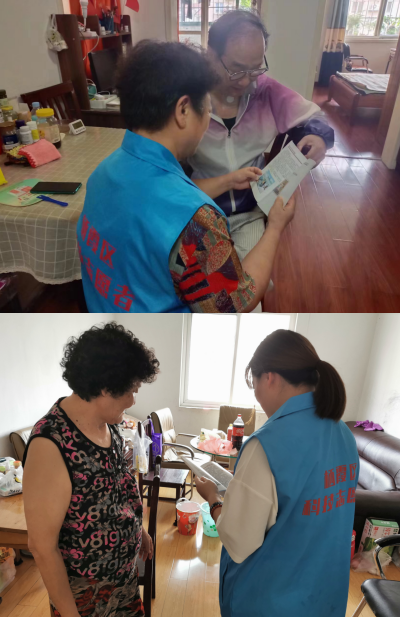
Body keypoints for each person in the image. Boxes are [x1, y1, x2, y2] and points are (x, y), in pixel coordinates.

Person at [77, 41, 295, 314]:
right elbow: (236, 304)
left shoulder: (102, 173)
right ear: (183, 110)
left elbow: (162, 202)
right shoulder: (198, 223)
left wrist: (228, 180)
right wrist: (274, 226)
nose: (207, 121)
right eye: (207, 109)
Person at [196, 329, 359, 617]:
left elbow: (238, 541)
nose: (257, 396)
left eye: (254, 384)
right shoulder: (344, 433)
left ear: (269, 377)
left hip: (269, 600)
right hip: (324, 597)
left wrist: (213, 499)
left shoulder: (266, 444)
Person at [22, 323, 160, 617]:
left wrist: (139, 530)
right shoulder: (51, 442)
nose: (134, 400)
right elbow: (42, 547)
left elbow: (120, 489)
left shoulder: (110, 426)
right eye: (132, 391)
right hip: (84, 595)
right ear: (106, 388)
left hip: (124, 580)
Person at [189, 10, 335, 260]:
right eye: (236, 69)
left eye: (255, 69)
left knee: (249, 277)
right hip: (200, 209)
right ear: (211, 54)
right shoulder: (190, 97)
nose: (245, 81)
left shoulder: (265, 90)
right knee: (206, 279)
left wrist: (319, 136)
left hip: (250, 212)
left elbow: (314, 116)